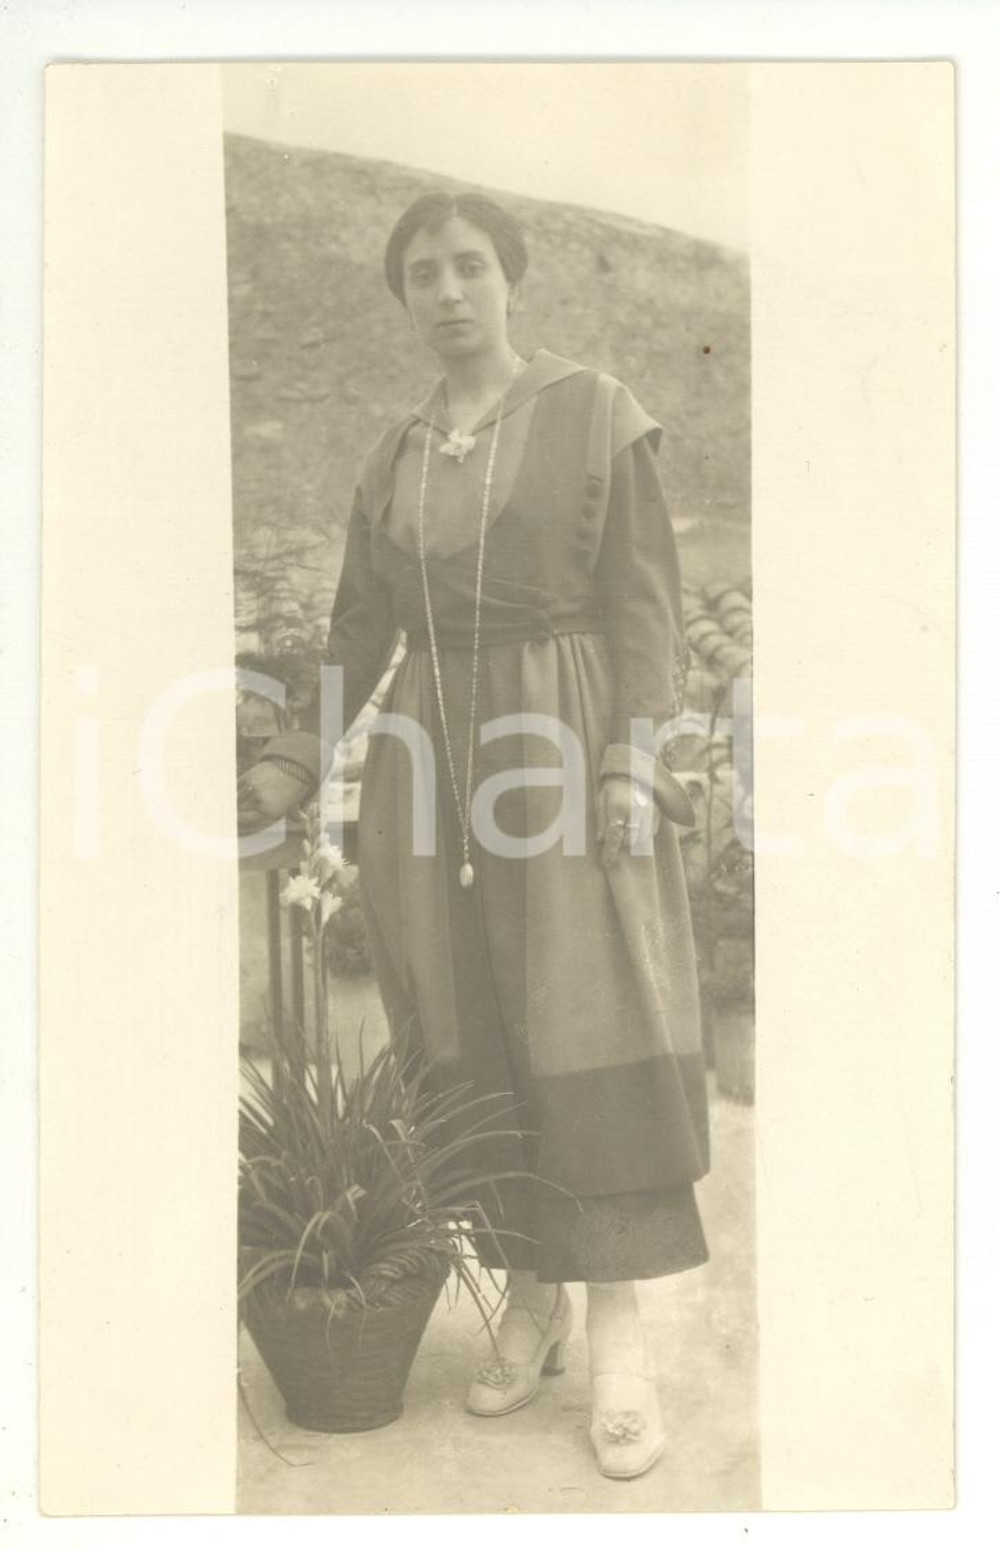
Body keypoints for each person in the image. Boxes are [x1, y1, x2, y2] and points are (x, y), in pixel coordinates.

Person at [238, 190, 710, 1481]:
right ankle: (531, 1296)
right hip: (425, 775)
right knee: (466, 1023)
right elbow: (357, 634)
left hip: (560, 749)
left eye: (469, 267)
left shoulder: (593, 409)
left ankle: (618, 1338)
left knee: (588, 1021)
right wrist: (292, 756)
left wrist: (629, 758)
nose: (448, 291)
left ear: (510, 280)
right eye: (422, 273)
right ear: (401, 298)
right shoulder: (392, 455)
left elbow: (646, 604)